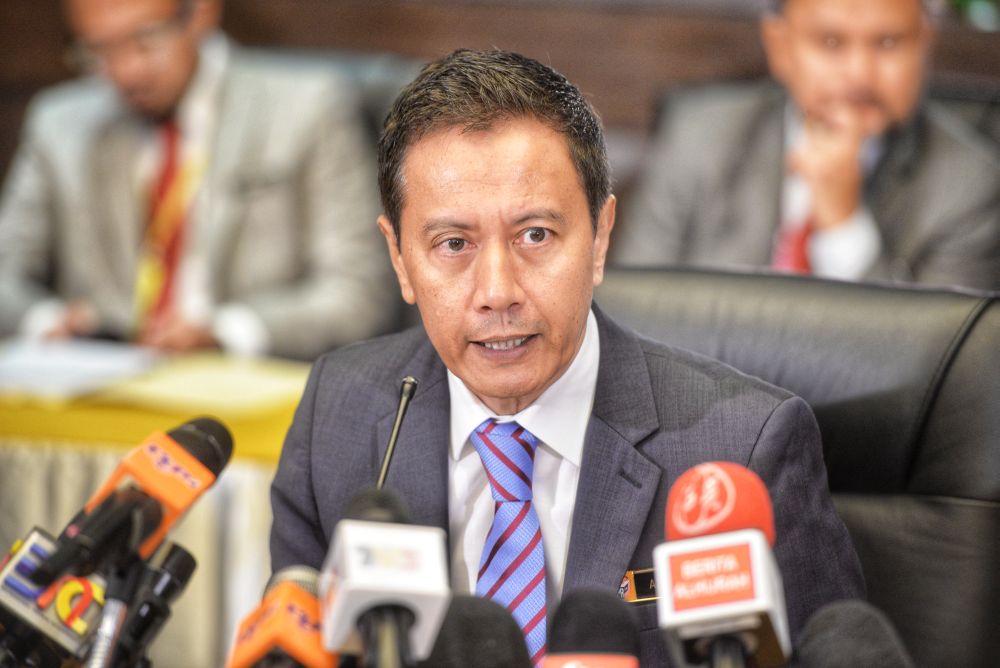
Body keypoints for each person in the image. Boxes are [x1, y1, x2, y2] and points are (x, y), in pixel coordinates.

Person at [269, 49, 864, 665]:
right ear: (398, 259)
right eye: (453, 244)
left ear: (601, 236)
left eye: (536, 235)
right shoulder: (337, 413)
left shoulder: (742, 450)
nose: (497, 291)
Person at [0, 0, 396, 360]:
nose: (126, 70)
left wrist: (224, 332)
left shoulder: (308, 107)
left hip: (243, 380)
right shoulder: (59, 123)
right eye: (99, 50)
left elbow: (358, 293)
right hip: (102, 382)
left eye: (146, 39)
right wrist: (47, 320)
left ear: (201, 12)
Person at [614, 0, 1000, 291]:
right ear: (780, 46)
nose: (859, 74)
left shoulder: (971, 183)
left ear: (924, 43)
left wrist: (843, 221)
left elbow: (934, 367)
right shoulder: (698, 132)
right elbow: (637, 307)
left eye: (888, 42)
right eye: (831, 42)